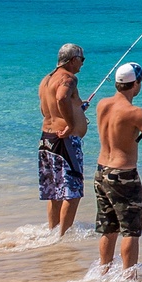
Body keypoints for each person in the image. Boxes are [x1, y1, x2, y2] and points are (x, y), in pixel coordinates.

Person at [91, 62, 142, 282]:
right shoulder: (135, 113)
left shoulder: (102, 105)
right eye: (140, 82)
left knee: (108, 227)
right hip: (123, 176)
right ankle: (128, 279)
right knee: (130, 231)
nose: (140, 86)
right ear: (134, 83)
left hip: (101, 171)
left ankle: (103, 272)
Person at [38, 43, 88, 235]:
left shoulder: (46, 80)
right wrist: (70, 124)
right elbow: (61, 98)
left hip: (46, 139)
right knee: (73, 192)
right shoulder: (68, 78)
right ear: (73, 59)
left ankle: (54, 232)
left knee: (55, 192)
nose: (82, 65)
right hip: (63, 141)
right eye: (82, 60)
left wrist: (77, 108)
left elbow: (45, 109)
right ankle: (64, 236)